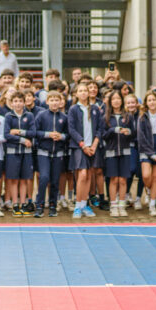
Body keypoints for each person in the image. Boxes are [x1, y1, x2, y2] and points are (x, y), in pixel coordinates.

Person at [68, 82, 103, 218]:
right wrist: (83, 145)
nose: (83, 93)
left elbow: (100, 129)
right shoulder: (73, 109)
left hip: (92, 147)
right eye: (80, 90)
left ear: (89, 93)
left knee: (89, 175)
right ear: (76, 94)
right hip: (79, 147)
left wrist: (94, 145)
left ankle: (84, 204)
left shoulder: (94, 109)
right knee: (82, 175)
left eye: (85, 90)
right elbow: (71, 129)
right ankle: (77, 206)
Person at [102, 91, 135, 217]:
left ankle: (122, 205)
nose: (116, 101)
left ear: (122, 100)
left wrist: (128, 132)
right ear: (110, 101)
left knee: (123, 180)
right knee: (113, 179)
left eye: (118, 98)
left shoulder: (128, 116)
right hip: (111, 152)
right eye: (113, 99)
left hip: (125, 152)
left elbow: (134, 134)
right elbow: (103, 135)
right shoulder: (105, 117)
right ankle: (113, 205)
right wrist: (113, 130)